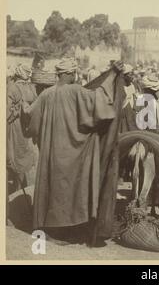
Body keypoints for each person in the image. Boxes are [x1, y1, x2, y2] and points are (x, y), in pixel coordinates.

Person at [26, 58, 125, 245]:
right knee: (68, 190)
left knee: (52, 188)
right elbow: (100, 103)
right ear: (71, 74)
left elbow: (32, 119)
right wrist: (112, 75)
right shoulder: (77, 91)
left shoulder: (46, 94)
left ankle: (49, 228)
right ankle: (61, 232)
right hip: (71, 153)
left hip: (50, 152)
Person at [7, 64, 38, 193]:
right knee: (24, 154)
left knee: (14, 155)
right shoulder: (31, 88)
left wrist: (15, 112)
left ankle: (15, 189)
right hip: (27, 127)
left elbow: (6, 113)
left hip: (15, 127)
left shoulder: (12, 88)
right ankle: (22, 188)